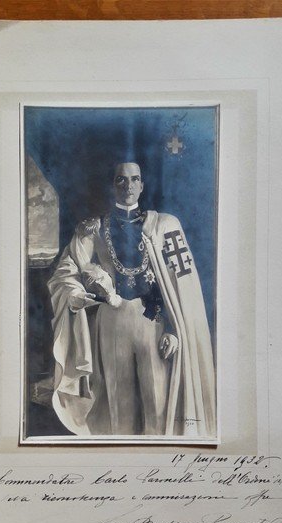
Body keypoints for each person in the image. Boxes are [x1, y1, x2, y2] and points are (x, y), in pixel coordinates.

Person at [48, 162, 216, 438]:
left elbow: (180, 285)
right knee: (118, 404)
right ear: (112, 185)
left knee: (158, 404)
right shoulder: (93, 228)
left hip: (154, 320)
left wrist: (174, 329)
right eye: (121, 180)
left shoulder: (163, 225)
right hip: (112, 320)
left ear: (142, 185)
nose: (128, 186)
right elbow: (66, 270)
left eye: (134, 179)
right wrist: (79, 293)